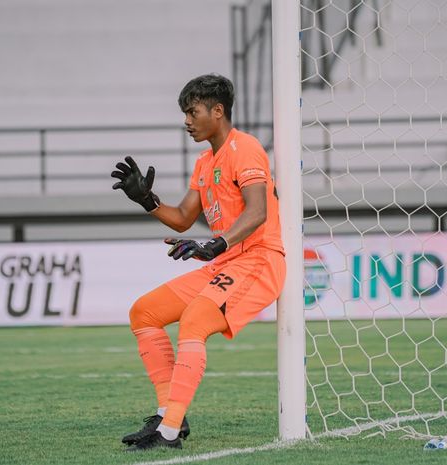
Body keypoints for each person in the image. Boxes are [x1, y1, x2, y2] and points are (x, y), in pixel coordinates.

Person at [111, 73, 286, 451]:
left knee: (194, 320)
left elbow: (258, 214)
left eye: (192, 112)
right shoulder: (206, 162)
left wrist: (216, 242)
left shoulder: (247, 149)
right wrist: (148, 201)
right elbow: (183, 218)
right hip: (225, 261)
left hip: (258, 260)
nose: (187, 121)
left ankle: (169, 431)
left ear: (217, 111)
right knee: (144, 312)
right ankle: (168, 412)